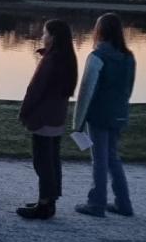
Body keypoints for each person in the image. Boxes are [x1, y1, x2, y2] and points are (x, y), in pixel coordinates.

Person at [73, 13, 136, 218]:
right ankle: (123, 203)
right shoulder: (128, 57)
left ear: (100, 31)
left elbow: (86, 91)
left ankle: (96, 203)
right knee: (113, 158)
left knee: (99, 160)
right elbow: (128, 89)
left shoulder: (97, 57)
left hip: (99, 115)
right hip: (119, 114)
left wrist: (77, 123)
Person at [16, 20, 78, 220]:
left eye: (45, 33)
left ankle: (44, 203)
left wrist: (24, 111)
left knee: (42, 161)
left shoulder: (51, 61)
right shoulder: (67, 59)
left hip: (44, 116)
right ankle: (50, 199)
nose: (43, 36)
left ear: (53, 37)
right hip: (57, 116)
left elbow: (35, 89)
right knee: (52, 160)